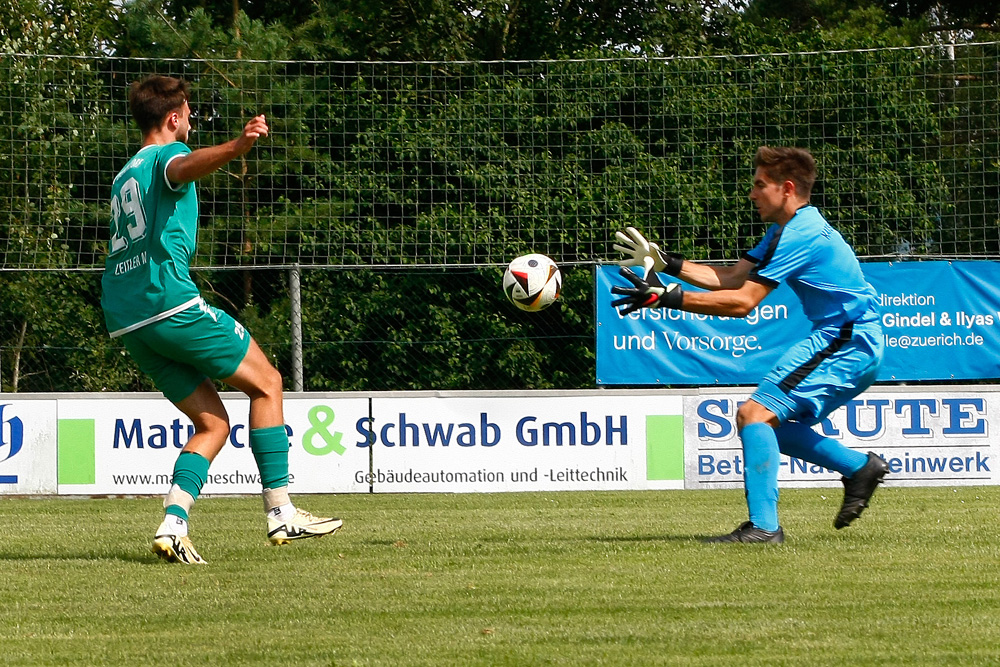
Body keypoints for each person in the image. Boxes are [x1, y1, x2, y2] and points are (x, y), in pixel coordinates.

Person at [101, 75, 342, 564]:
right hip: (168, 304)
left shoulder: (124, 174)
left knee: (212, 423)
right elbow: (184, 166)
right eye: (188, 113)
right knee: (268, 383)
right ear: (173, 117)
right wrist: (238, 145)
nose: (191, 120)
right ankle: (281, 511)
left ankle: (173, 525)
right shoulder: (163, 158)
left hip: (129, 320)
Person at [611, 146, 889, 543]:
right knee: (761, 423)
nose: (752, 194)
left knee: (753, 415)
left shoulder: (801, 234)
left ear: (787, 188)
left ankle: (765, 527)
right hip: (846, 339)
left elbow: (743, 303)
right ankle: (859, 467)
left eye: (760, 185)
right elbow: (731, 278)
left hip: (847, 340)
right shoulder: (784, 229)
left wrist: (666, 297)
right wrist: (666, 263)